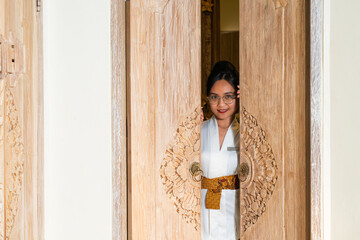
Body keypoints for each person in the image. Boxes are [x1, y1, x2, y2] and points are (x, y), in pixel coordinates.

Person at [200, 61, 241, 240]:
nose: (221, 104)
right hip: (202, 208)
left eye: (228, 97)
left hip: (235, 206)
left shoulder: (248, 133)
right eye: (214, 97)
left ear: (239, 97)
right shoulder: (198, 130)